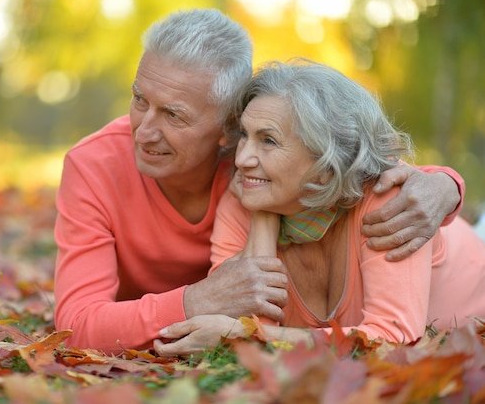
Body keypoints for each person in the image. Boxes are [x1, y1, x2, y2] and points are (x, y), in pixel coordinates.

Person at [54, 9, 465, 354]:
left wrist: (446, 185)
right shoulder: (96, 166)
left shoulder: (253, 166)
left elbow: (358, 160)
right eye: (139, 99)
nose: (142, 131)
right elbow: (75, 325)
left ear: (226, 129)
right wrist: (200, 300)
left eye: (174, 115)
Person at [153, 59, 485, 357]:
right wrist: (263, 220)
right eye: (244, 135)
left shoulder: (387, 202)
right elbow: (250, 322)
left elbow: (393, 340)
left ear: (326, 164)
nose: (241, 160)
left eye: (268, 140)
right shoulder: (243, 202)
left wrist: (248, 336)